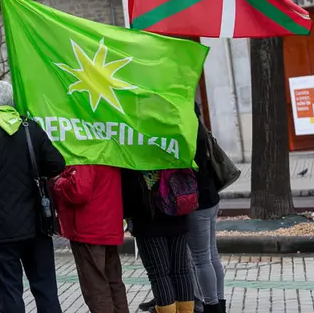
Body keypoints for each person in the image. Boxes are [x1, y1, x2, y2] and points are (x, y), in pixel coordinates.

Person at [0, 80, 66, 313]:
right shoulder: (31, 129)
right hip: (36, 224)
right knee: (45, 288)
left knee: (9, 291)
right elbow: (57, 164)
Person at [54, 164, 128, 313]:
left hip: (88, 229)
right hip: (108, 225)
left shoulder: (85, 154)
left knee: (95, 287)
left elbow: (79, 191)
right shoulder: (106, 151)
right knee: (113, 282)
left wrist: (58, 181)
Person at [122, 167, 195, 313]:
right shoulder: (173, 144)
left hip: (148, 219)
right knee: (181, 271)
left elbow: (127, 190)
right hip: (177, 210)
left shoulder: (131, 149)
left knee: (160, 274)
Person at [186, 104, 225, 313]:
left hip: (196, 200)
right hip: (210, 195)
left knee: (200, 258)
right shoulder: (200, 127)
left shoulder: (185, 131)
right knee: (211, 255)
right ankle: (219, 303)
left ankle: (211, 306)